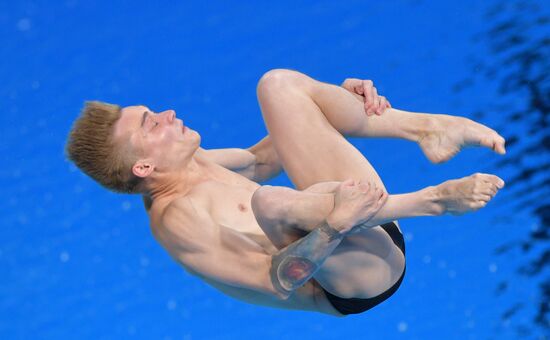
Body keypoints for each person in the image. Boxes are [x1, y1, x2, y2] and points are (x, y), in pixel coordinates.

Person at [65, 69, 506, 317]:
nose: (166, 113)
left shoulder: (192, 163)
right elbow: (277, 281)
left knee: (277, 86)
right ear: (144, 167)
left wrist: (331, 100)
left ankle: (425, 128)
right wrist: (335, 225)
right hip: (356, 277)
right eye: (151, 124)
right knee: (270, 201)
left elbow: (263, 159)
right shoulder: (178, 222)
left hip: (366, 218)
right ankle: (432, 201)